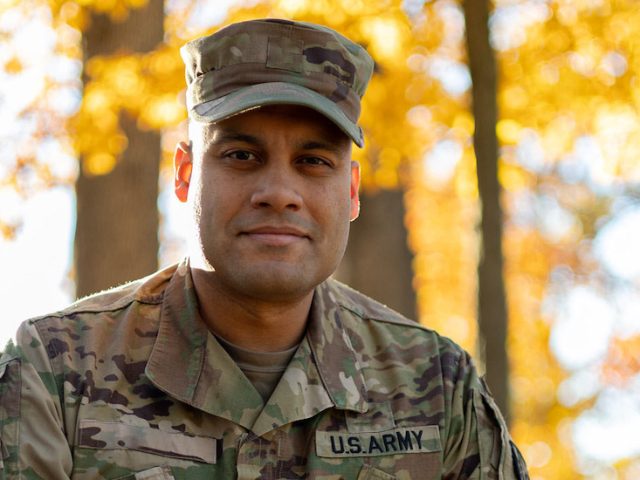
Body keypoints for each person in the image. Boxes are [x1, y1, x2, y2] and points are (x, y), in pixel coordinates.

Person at [0, 18, 528, 479]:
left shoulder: (435, 385)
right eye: (242, 155)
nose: (278, 193)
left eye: (313, 161)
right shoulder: (56, 373)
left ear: (350, 192)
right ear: (185, 175)